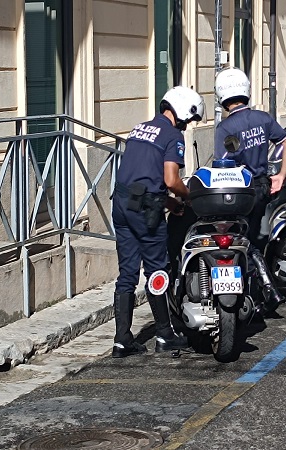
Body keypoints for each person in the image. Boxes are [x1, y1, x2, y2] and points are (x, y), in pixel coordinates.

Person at [111, 86, 206, 358]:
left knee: (127, 272)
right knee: (157, 269)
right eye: (189, 121)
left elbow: (143, 179)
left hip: (122, 203)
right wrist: (188, 196)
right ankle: (165, 334)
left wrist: (169, 203)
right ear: (183, 113)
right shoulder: (172, 135)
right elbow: (170, 180)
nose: (188, 127)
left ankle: (122, 339)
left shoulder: (140, 127)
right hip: (145, 210)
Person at [214, 67, 286, 313]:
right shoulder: (263, 119)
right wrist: (281, 175)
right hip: (262, 186)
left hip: (239, 190)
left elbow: (222, 165)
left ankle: (253, 291)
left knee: (236, 240)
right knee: (256, 237)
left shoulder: (225, 128)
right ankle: (263, 288)